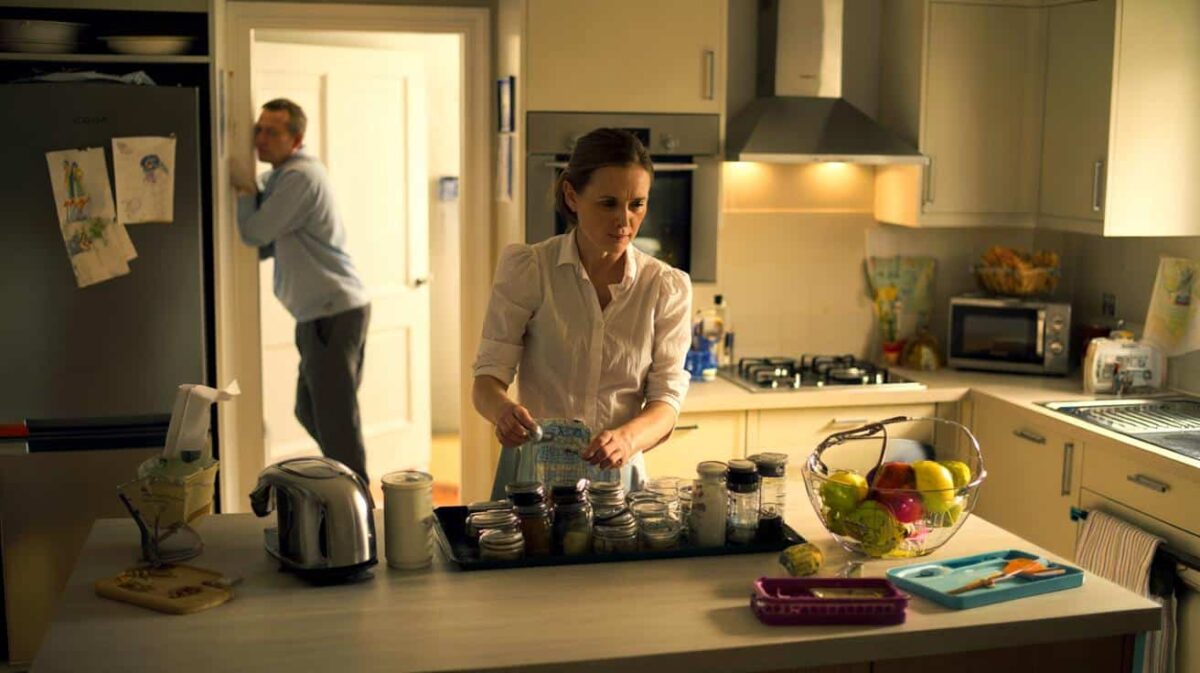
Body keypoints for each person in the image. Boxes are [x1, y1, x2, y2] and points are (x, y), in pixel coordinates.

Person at [472, 128, 692, 497]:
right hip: (534, 483)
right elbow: (486, 382)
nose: (624, 221)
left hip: (619, 482)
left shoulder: (665, 287)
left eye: (637, 204)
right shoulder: (529, 269)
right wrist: (503, 412)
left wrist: (626, 438)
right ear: (573, 197)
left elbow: (666, 402)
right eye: (608, 203)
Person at [230, 98, 372, 483]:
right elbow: (267, 242)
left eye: (272, 131)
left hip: (332, 313)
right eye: (258, 129)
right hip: (320, 313)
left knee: (336, 421)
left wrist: (243, 193)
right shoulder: (284, 176)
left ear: (296, 139)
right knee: (308, 410)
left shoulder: (300, 178)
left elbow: (256, 232)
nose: (261, 138)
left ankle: (358, 509)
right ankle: (347, 487)